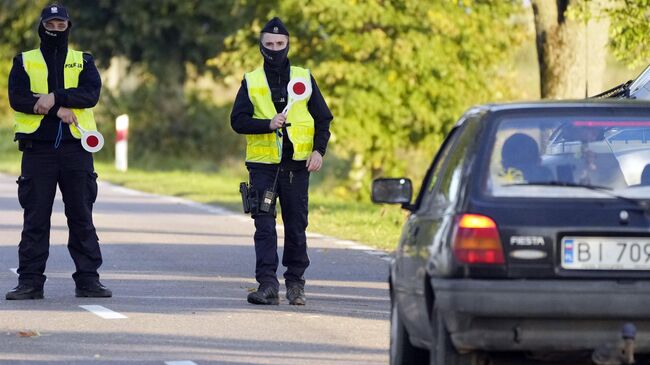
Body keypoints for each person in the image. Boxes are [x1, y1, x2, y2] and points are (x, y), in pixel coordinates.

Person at [6, 4, 111, 300]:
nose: (55, 28)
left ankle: (89, 280)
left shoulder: (83, 61)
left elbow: (90, 95)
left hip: (76, 149)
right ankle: (30, 283)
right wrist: (60, 109)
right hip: (38, 150)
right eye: (50, 23)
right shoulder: (24, 61)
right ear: (41, 26)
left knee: (81, 216)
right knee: (35, 219)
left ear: (68, 26)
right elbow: (18, 98)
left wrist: (54, 98)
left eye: (60, 24)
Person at [230, 17, 333, 305]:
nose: (275, 49)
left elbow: (323, 118)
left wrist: (318, 151)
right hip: (263, 165)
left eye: (280, 44)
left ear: (288, 45)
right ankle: (267, 285)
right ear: (261, 47)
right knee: (264, 226)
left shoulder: (303, 78)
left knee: (296, 225)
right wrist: (267, 124)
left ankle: (296, 284)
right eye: (269, 45)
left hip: (296, 166)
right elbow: (237, 121)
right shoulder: (251, 80)